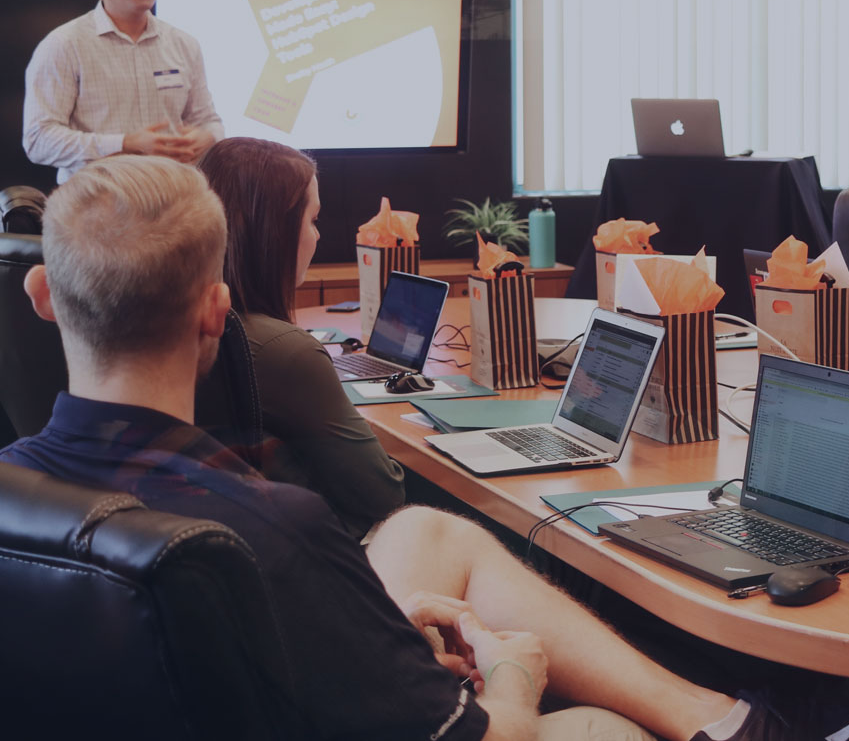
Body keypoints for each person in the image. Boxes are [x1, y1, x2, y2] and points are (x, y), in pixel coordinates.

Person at [0, 153, 782, 740]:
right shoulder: (275, 528)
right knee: (603, 730)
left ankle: (718, 716)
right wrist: (513, 677)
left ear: (41, 297)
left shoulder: (17, 488)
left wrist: (377, 632)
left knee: (423, 530)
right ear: (215, 313)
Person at [197, 137, 405, 537]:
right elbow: (386, 496)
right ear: (273, 232)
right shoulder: (285, 351)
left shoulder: (181, 324)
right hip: (323, 557)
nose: (318, 236)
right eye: (312, 220)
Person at [23, 0, 223, 183]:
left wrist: (206, 137)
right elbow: (38, 140)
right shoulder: (64, 45)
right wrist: (125, 144)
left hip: (174, 199)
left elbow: (211, 122)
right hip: (96, 204)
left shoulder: (184, 44)